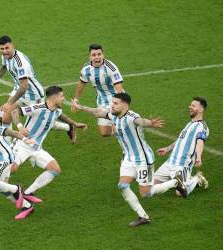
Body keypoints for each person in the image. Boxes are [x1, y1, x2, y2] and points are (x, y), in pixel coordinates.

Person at [0, 86, 87, 208]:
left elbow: (62, 116)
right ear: (55, 97)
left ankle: (27, 192)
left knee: (55, 169)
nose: (64, 99)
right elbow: (15, 112)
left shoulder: (56, 110)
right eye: (62, 96)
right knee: (10, 170)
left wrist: (74, 124)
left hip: (36, 148)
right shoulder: (39, 107)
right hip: (22, 144)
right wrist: (20, 126)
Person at [74, 93, 164, 227]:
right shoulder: (113, 115)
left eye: (115, 103)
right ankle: (143, 216)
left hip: (143, 160)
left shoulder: (131, 117)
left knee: (146, 194)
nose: (112, 105)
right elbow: (98, 111)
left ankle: (174, 182)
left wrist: (150, 123)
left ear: (125, 105)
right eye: (112, 102)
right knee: (122, 186)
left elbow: (141, 121)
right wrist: (80, 107)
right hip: (128, 158)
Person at [0, 35, 72, 138]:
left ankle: (69, 127)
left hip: (33, 95)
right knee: (5, 118)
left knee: (43, 125)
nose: (4, 51)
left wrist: (9, 103)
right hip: (19, 89)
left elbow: (24, 87)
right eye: (2, 49)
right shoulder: (5, 56)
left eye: (7, 48)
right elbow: (3, 67)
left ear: (13, 46)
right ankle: (7, 149)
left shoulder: (20, 62)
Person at [153, 97, 209, 198]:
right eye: (190, 105)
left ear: (201, 109)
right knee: (151, 186)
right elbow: (180, 140)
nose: (190, 107)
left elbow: (200, 142)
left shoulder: (202, 126)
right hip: (169, 162)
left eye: (193, 106)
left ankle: (197, 179)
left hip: (182, 165)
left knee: (179, 193)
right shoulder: (189, 124)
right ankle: (175, 181)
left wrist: (199, 157)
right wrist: (167, 148)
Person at [71, 44, 125, 137]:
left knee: (117, 128)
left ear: (103, 55)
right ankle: (123, 131)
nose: (97, 57)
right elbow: (82, 83)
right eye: (94, 55)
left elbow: (119, 89)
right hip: (102, 101)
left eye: (99, 54)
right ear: (90, 57)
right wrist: (76, 99)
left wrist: (119, 105)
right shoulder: (86, 68)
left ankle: (127, 137)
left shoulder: (111, 68)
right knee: (104, 132)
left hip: (116, 100)